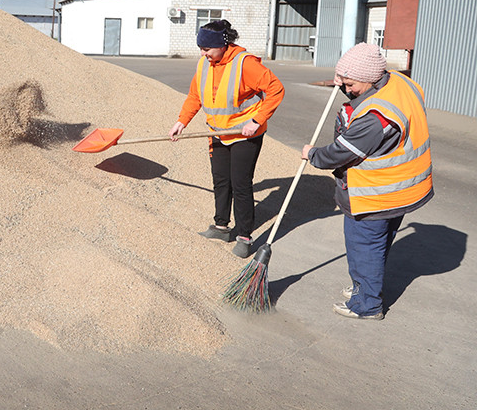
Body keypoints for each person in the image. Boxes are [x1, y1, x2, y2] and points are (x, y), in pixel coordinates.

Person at [302, 43, 433, 320]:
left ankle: (367, 305)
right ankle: (366, 289)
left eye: (350, 84)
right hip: (402, 191)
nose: (346, 90)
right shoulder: (401, 82)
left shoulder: (375, 118)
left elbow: (339, 154)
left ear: (371, 78)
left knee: (365, 250)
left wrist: (312, 155)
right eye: (344, 82)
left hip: (375, 195)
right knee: (379, 245)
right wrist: (344, 80)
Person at [169, 20, 285, 258]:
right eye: (201, 48)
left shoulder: (246, 64)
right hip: (217, 133)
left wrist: (256, 121)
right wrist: (182, 121)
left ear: (222, 45)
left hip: (245, 134)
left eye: (207, 49)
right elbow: (195, 95)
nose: (203, 54)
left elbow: (276, 89)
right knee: (221, 181)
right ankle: (221, 226)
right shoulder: (204, 64)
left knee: (240, 184)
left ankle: (244, 235)